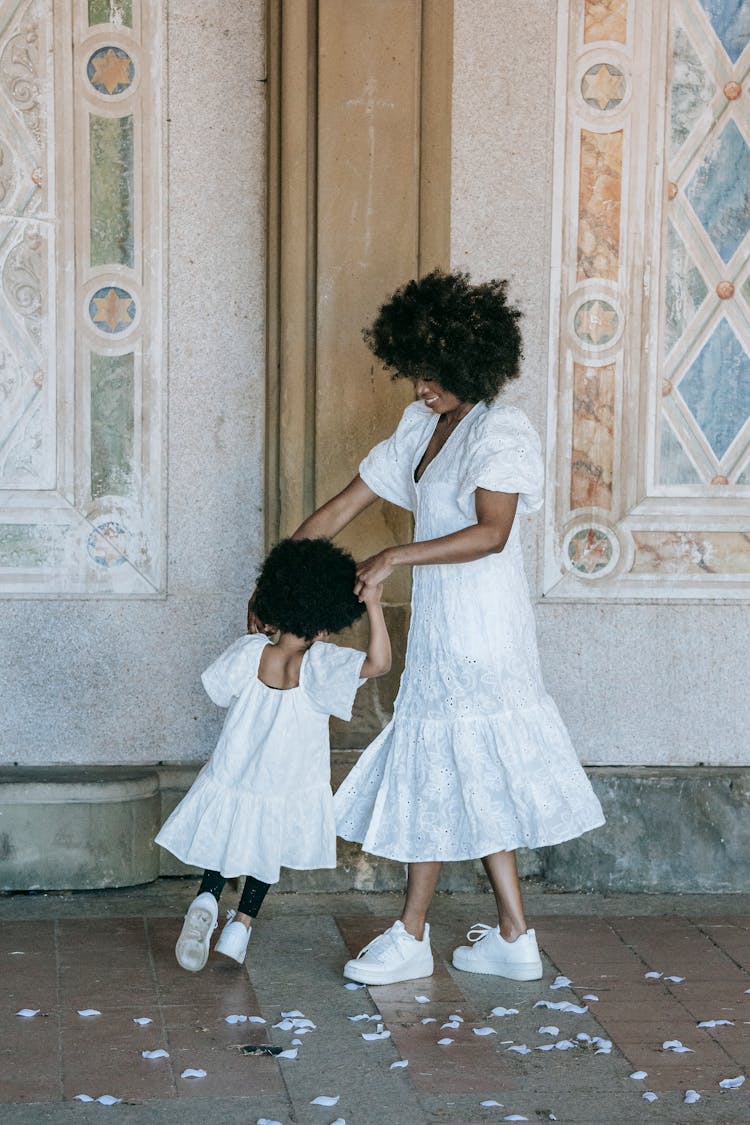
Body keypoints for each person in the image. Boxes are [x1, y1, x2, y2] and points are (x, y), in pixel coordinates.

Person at [250, 269, 605, 987]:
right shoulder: (420, 428)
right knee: (468, 764)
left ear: (473, 362)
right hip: (446, 623)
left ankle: (411, 935)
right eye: (415, 373)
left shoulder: (500, 428)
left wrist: (397, 554)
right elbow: (340, 508)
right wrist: (274, 581)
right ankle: (513, 934)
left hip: (484, 626)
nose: (420, 387)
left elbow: (493, 532)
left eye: (434, 376)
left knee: (440, 760)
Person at [157, 537, 391, 972]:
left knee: (227, 840)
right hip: (288, 780)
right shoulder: (321, 665)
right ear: (326, 620)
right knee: (265, 849)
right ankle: (240, 927)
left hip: (236, 770)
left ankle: (207, 897)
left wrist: (259, 632)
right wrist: (375, 604)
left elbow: (217, 691)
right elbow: (379, 663)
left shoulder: (250, 653)